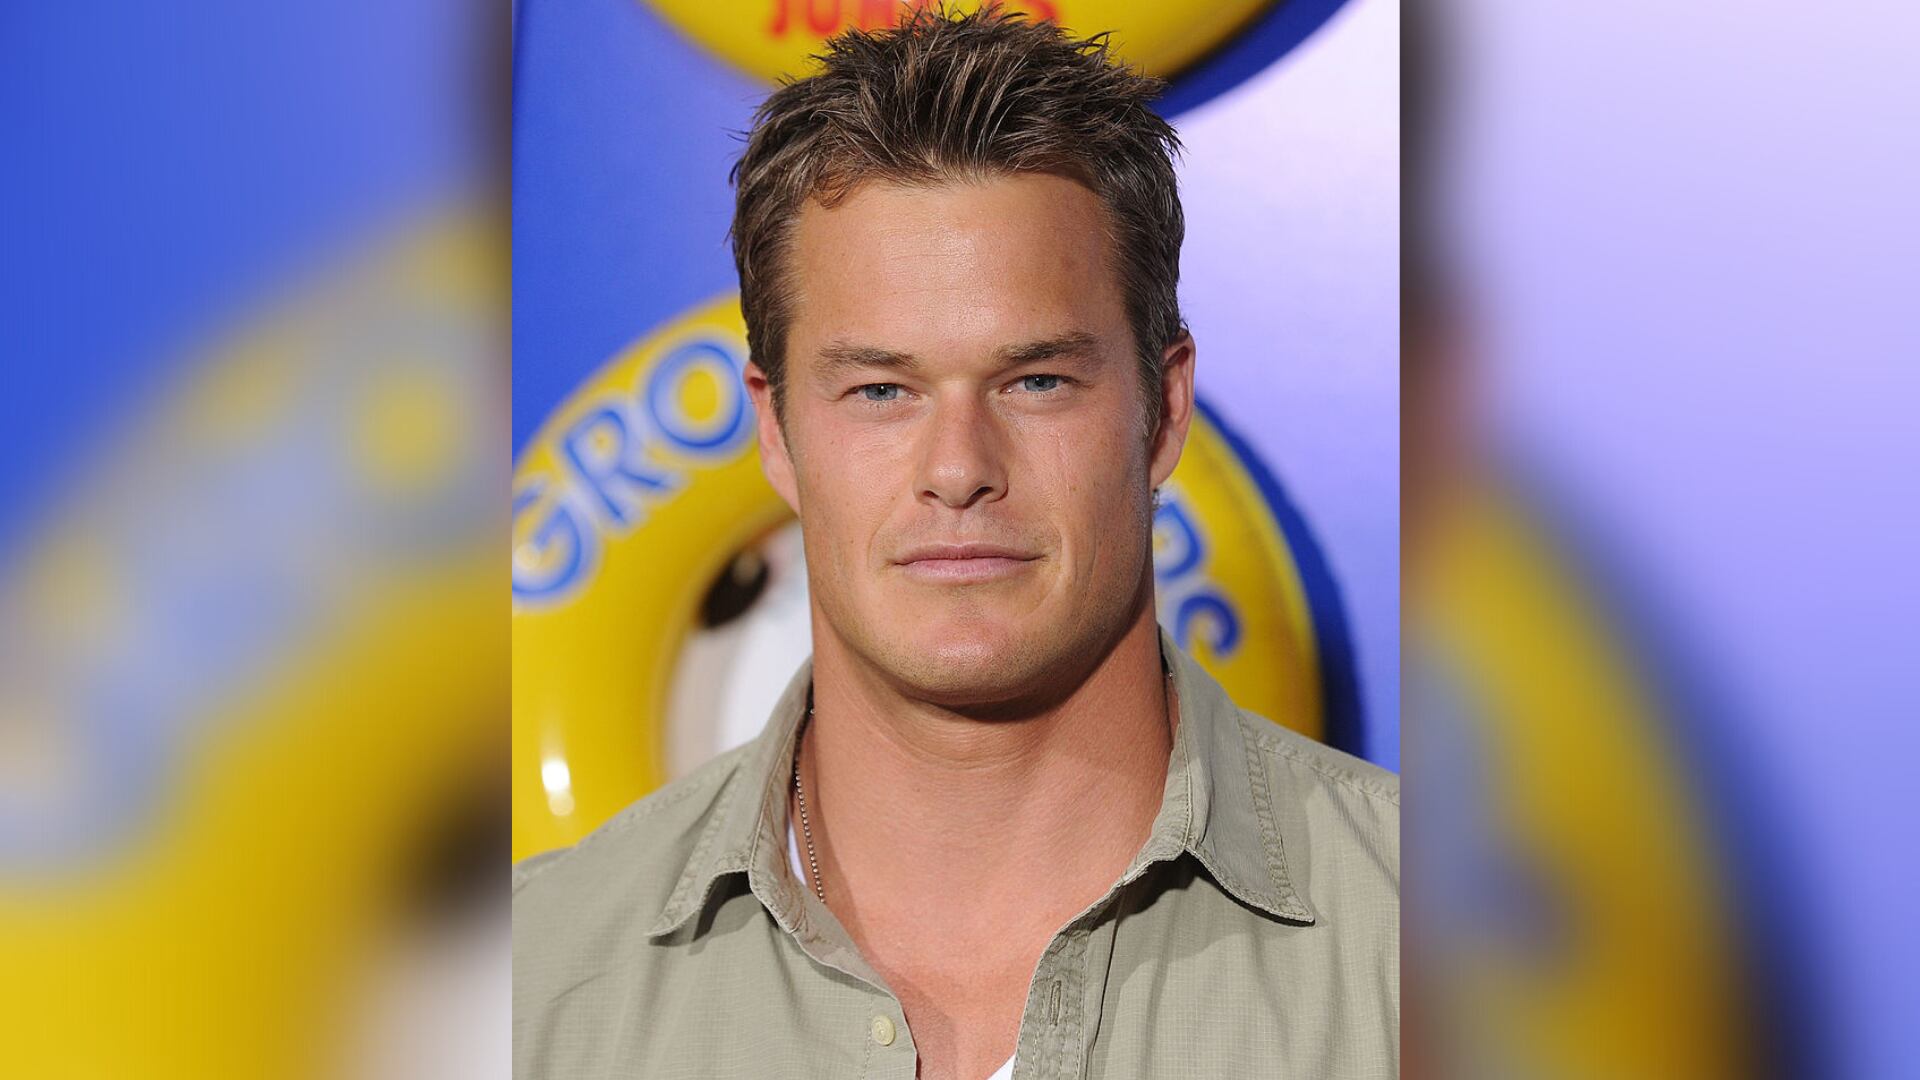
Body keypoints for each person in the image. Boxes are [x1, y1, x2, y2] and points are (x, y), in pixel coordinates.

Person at [513, 9, 1398, 1079]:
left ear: (1163, 413)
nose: (959, 467)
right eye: (881, 391)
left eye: (1037, 381)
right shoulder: (534, 991)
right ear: (776, 431)